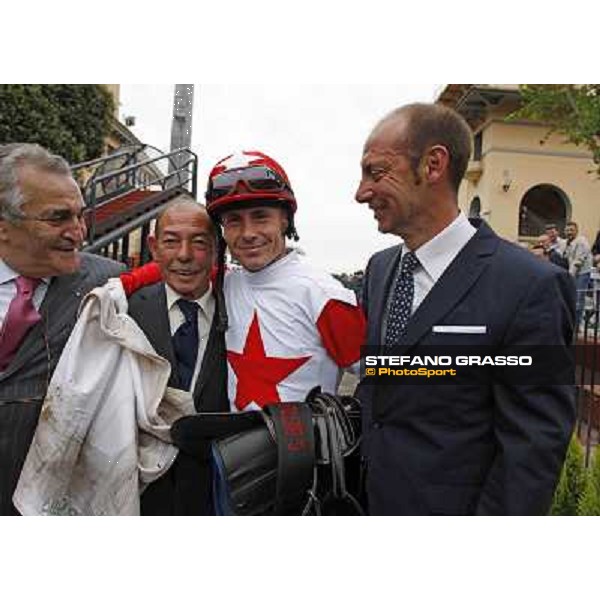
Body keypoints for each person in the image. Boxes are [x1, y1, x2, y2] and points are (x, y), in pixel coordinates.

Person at [354, 103, 576, 515]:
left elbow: (531, 452)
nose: (361, 192)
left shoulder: (529, 286)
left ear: (434, 164)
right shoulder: (380, 270)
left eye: (376, 172)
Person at [0, 143, 124, 515]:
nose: (78, 232)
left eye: (80, 216)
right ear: (4, 227)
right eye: (58, 218)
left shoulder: (110, 286)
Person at [204, 150, 366, 410]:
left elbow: (391, 373)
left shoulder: (323, 294)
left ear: (285, 220)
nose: (248, 233)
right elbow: (178, 267)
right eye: (234, 221)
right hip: (234, 447)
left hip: (307, 450)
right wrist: (125, 282)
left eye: (260, 216)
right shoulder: (225, 283)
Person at [127, 199, 228, 515]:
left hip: (220, 491)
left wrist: (383, 382)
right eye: (171, 241)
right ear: (154, 248)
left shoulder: (250, 307)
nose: (184, 255)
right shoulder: (124, 311)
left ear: (215, 249)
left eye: (199, 243)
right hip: (141, 494)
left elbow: (372, 365)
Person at [564, 221, 593, 330]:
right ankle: (572, 322)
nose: (569, 232)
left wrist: (570, 276)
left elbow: (578, 261)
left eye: (571, 230)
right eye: (567, 230)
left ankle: (576, 325)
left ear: (577, 230)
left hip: (582, 273)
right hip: (574, 272)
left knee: (579, 299)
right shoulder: (568, 242)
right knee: (573, 298)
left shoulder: (581, 242)